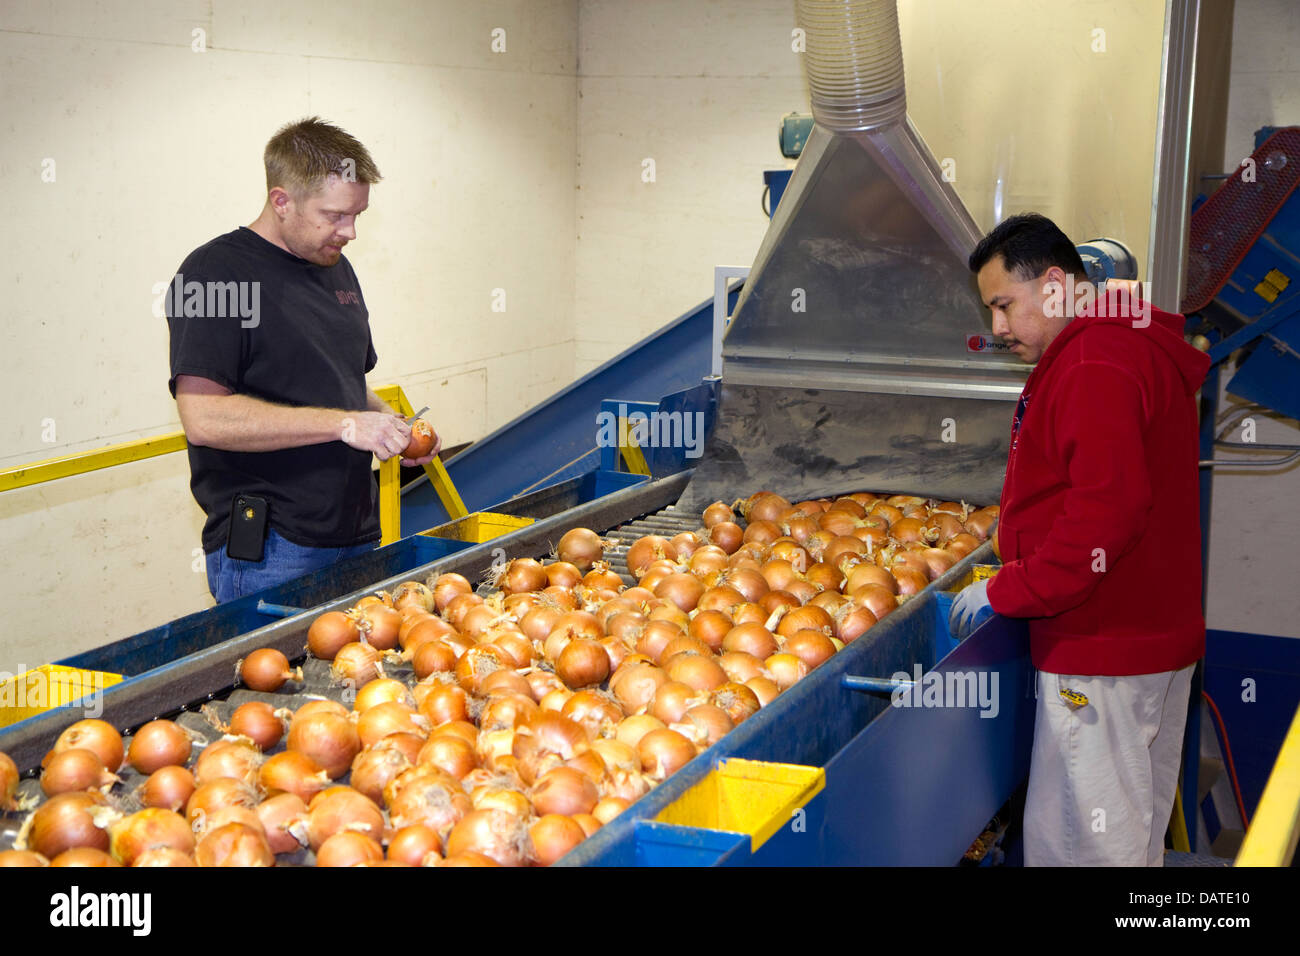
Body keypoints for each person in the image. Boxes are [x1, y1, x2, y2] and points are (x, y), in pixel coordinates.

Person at [949, 213, 1210, 866]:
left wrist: (1011, 588)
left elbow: (1107, 513)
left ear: (1058, 284)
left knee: (1081, 848)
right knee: (1131, 841)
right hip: (1150, 641)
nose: (998, 327)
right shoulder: (1129, 344)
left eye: (1004, 304)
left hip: (1102, 651)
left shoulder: (1094, 361)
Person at [166, 117, 441, 603]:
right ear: (281, 201)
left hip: (355, 530)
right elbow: (204, 419)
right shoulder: (213, 276)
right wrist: (345, 425)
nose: (350, 232)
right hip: (274, 547)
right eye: (335, 215)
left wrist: (385, 422)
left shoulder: (333, 266)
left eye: (358, 215)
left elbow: (339, 386)